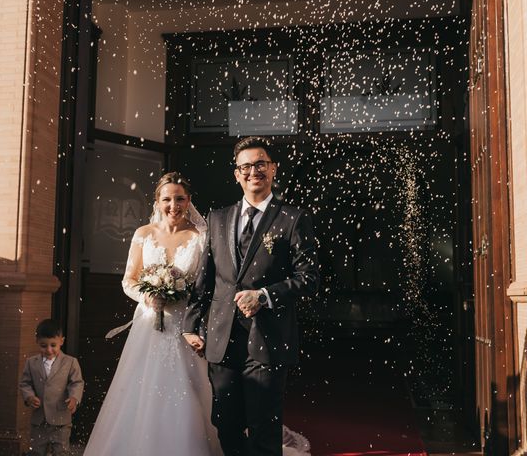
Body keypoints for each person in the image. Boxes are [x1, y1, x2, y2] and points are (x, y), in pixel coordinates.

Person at [183, 136, 319, 456]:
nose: (253, 171)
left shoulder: (293, 218)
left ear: (273, 170)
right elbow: (206, 278)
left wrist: (264, 295)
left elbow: (309, 279)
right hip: (222, 339)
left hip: (268, 339)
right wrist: (191, 324)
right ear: (236, 174)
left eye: (260, 164)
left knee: (263, 426)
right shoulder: (217, 218)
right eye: (245, 166)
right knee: (225, 423)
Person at [83, 172, 223, 456]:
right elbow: (128, 280)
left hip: (185, 325)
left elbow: (207, 284)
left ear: (189, 201)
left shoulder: (201, 237)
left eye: (180, 199)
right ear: (157, 202)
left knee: (188, 387)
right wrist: (147, 296)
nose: (174, 205)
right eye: (167, 199)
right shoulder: (143, 234)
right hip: (148, 324)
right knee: (141, 387)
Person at [19, 319, 84, 456]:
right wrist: (29, 397)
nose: (49, 350)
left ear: (62, 341)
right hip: (39, 420)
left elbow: (77, 383)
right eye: (44, 346)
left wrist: (74, 398)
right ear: (37, 341)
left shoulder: (70, 362)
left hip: (61, 419)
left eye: (53, 345)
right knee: (36, 451)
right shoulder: (31, 363)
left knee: (61, 452)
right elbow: (25, 383)